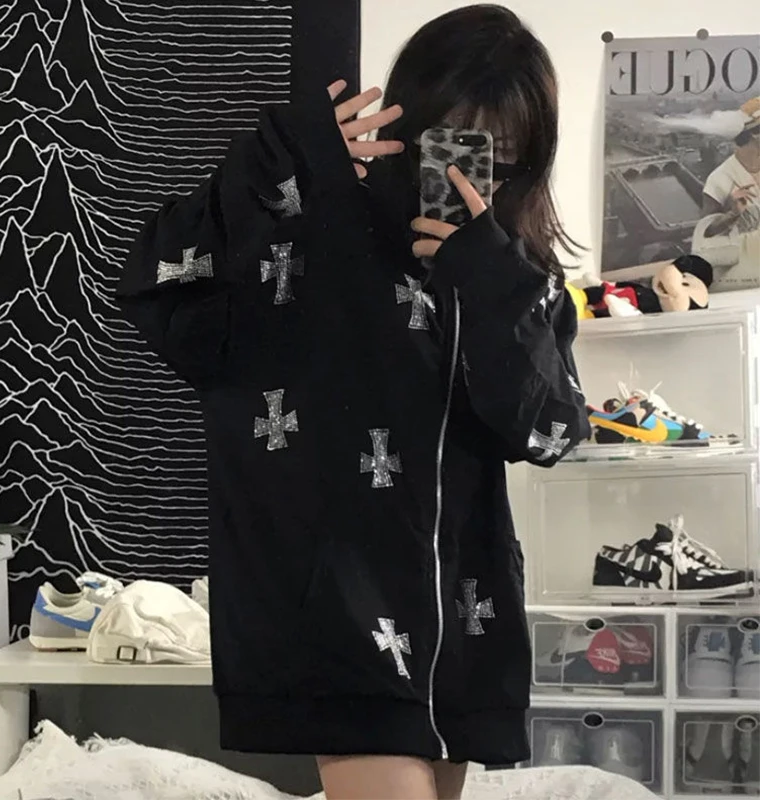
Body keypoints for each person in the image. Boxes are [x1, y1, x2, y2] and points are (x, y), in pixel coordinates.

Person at [115, 5, 589, 800]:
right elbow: (155, 281)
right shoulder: (318, 224)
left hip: (460, 629)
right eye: (448, 138)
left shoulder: (516, 276)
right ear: (407, 116)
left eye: (497, 156)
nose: (466, 175)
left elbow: (552, 433)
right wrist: (271, 165)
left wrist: (491, 281)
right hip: (339, 619)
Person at [692, 97, 760, 291]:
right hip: (743, 278)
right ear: (755, 133)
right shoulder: (720, 179)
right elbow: (705, 235)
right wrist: (733, 214)